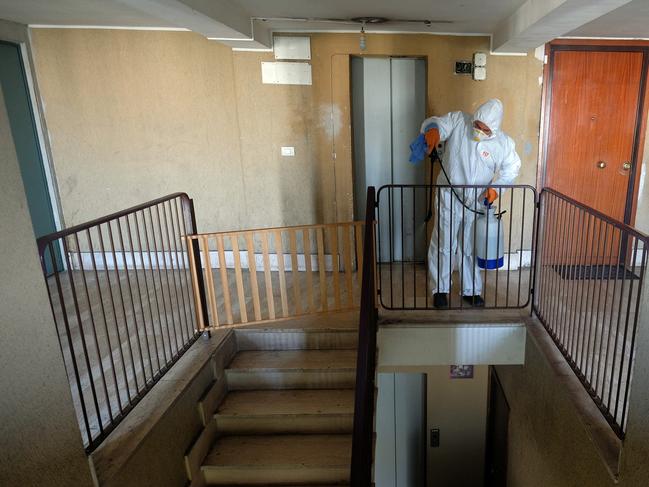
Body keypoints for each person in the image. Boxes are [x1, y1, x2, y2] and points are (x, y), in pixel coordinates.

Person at [412, 99, 521, 308]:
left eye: (484, 129)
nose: (478, 130)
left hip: (477, 200)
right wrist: (432, 129)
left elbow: (512, 170)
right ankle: (440, 289)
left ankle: (471, 290)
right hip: (449, 195)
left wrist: (496, 189)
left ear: (494, 129)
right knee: (444, 243)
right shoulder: (459, 120)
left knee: (470, 245)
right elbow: (437, 123)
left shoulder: (504, 144)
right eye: (477, 125)